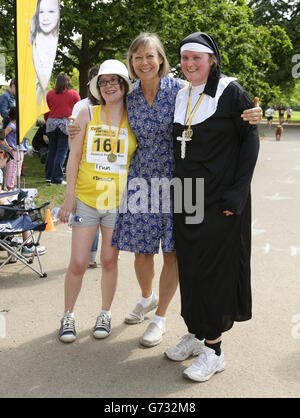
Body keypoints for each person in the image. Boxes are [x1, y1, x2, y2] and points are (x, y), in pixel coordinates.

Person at [69, 33, 262, 348]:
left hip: (179, 181)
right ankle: (147, 299)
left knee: (174, 253)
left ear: (161, 60)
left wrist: (253, 112)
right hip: (141, 181)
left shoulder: (180, 90)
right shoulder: (128, 97)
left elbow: (218, 94)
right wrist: (72, 124)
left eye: (150, 56)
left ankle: (160, 318)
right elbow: (94, 108)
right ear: (132, 64)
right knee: (143, 252)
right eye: (137, 57)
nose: (144, 62)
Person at [164, 32, 259, 383]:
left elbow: (250, 142)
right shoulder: (181, 94)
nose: (190, 64)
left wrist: (238, 194)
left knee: (213, 271)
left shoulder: (232, 92)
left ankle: (214, 350)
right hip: (186, 193)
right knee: (189, 266)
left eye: (197, 58)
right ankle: (194, 331)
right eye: (185, 58)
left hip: (220, 198)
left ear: (212, 60)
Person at [57, 60, 137, 343]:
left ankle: (105, 312)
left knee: (108, 260)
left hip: (117, 202)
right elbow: (74, 157)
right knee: (78, 262)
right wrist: (69, 199)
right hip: (87, 199)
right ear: (98, 87)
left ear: (125, 85)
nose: (110, 85)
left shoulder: (135, 117)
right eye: (104, 82)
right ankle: (68, 315)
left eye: (115, 80)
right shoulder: (87, 113)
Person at [71, 64, 101, 268]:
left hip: (109, 172)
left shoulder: (118, 106)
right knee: (89, 212)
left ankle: (95, 254)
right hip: (86, 169)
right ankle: (86, 254)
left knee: (103, 213)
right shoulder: (82, 106)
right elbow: (72, 134)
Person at [45, 73, 80, 185]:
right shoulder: (74, 94)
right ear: (68, 81)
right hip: (65, 124)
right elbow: (79, 109)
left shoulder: (50, 94)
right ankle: (56, 179)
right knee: (62, 152)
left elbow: (46, 111)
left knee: (52, 150)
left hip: (51, 123)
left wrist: (47, 121)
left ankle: (49, 176)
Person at [30, 0, 60, 109]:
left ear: (58, 14)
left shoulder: (52, 41)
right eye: (41, 12)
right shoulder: (34, 41)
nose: (45, 17)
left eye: (51, 11)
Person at [2, 107, 26, 191]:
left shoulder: (17, 125)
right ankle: (9, 187)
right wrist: (8, 147)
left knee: (17, 170)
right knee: (12, 169)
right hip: (14, 151)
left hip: (20, 150)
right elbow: (2, 136)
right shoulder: (11, 125)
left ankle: (14, 186)